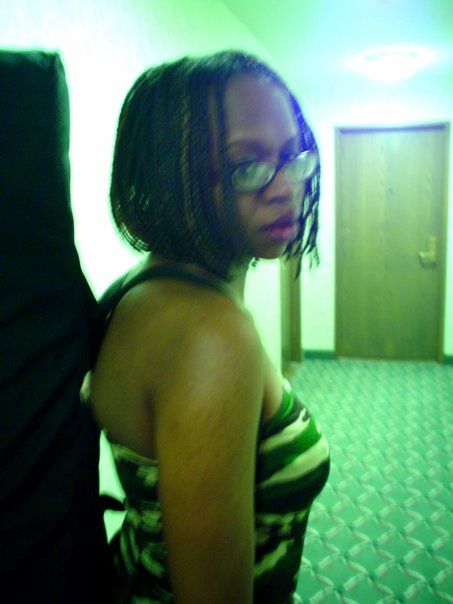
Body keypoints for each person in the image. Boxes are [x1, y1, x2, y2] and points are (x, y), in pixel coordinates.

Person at [87, 50, 330, 603]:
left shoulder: (145, 286)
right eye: (248, 167)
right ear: (175, 177)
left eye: (293, 155)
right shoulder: (211, 336)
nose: (286, 187)